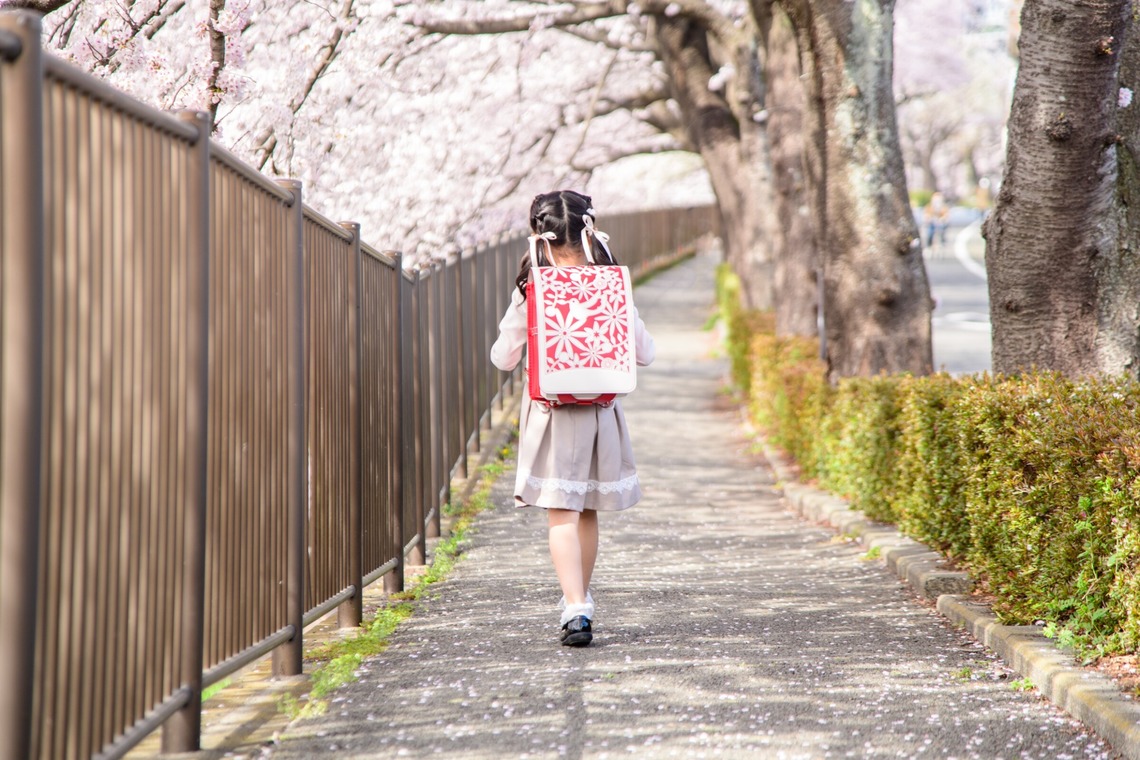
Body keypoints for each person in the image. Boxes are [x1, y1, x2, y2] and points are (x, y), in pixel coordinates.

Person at [489, 190, 655, 648]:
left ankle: (575, 606)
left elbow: (503, 358)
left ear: (538, 236)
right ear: (590, 230)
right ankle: (581, 600)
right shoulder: (611, 285)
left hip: (551, 415)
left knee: (561, 513)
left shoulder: (533, 288)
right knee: (586, 514)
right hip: (601, 413)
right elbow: (645, 352)